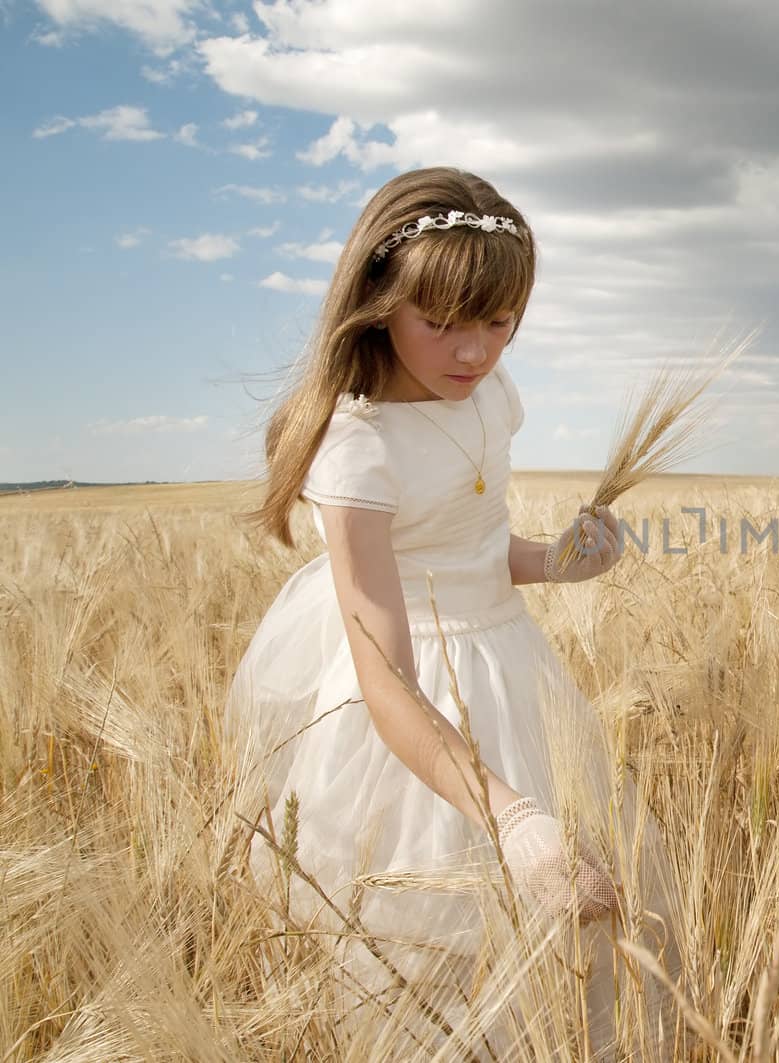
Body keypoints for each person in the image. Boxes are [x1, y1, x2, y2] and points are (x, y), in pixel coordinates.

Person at [220, 166, 679, 1061]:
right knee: (426, 959)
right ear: (379, 300)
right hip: (409, 718)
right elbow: (385, 681)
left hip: (512, 676)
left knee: (553, 962)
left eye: (499, 324)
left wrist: (553, 563)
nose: (474, 353)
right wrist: (512, 819)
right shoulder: (355, 449)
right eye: (441, 323)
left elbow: (474, 548)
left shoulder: (492, 402)